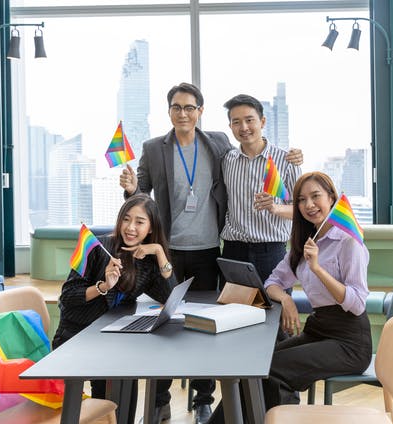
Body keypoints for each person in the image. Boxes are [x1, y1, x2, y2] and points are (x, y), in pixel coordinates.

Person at [119, 83, 302, 423]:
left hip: (210, 251)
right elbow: (140, 192)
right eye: (177, 107)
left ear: (200, 112)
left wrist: (293, 162)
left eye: (190, 107)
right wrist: (131, 188)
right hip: (169, 252)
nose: (183, 113)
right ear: (169, 111)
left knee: (208, 327)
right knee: (167, 325)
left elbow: (297, 195)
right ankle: (160, 399)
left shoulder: (218, 144)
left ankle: (209, 397)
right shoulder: (156, 148)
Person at [52, 194, 176, 424]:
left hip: (111, 337)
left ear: (150, 228)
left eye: (139, 222)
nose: (130, 228)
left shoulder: (146, 259)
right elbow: (68, 297)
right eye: (126, 219)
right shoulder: (98, 247)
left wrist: (159, 251)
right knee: (118, 375)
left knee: (125, 375)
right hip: (77, 337)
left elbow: (170, 298)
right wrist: (103, 286)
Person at [262, 171, 372, 409]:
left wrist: (318, 268)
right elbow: (271, 283)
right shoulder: (305, 241)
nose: (308, 205)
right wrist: (286, 300)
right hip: (319, 330)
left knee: (273, 370)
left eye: (315, 196)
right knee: (258, 364)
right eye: (301, 199)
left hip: (349, 341)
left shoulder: (348, 241)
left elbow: (357, 303)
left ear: (331, 197)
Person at [220, 93, 301, 283]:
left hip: (271, 251)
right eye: (236, 122)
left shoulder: (286, 160)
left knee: (273, 310)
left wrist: (275, 207)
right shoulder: (226, 160)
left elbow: (300, 210)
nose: (244, 128)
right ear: (230, 126)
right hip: (233, 251)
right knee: (231, 310)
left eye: (249, 120)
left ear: (262, 121)